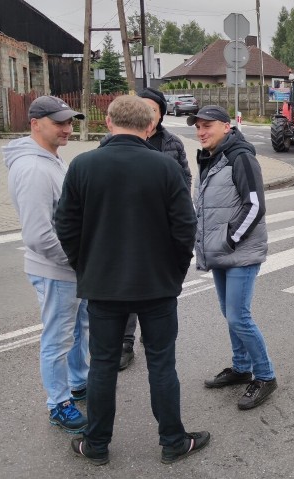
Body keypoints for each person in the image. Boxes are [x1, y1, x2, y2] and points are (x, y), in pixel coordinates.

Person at [55, 95, 209, 466]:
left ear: (108, 123)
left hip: (104, 286)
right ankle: (173, 441)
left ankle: (96, 444)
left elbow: (65, 225)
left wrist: (85, 265)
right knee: (161, 364)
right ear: (149, 126)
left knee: (102, 365)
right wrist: (173, 270)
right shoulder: (165, 167)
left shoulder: (82, 165)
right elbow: (185, 227)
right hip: (157, 286)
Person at [3, 96, 90, 434]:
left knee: (77, 329)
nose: (68, 128)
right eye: (59, 123)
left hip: (69, 269)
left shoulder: (51, 159)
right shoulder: (34, 168)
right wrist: (77, 262)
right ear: (35, 123)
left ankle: (78, 383)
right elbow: (39, 235)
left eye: (70, 121)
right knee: (57, 339)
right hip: (57, 270)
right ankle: (59, 404)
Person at [189, 105, 278, 411]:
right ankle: (241, 368)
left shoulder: (241, 156)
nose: (201, 132)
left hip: (238, 252)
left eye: (207, 126)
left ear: (226, 127)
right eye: (198, 127)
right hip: (219, 251)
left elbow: (255, 206)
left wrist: (229, 239)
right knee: (230, 314)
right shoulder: (209, 158)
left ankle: (265, 375)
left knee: (239, 316)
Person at [118, 87, 192, 371]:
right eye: (144, 108)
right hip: (128, 229)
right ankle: (125, 341)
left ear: (161, 114)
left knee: (157, 288)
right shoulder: (120, 140)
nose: (149, 114)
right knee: (129, 287)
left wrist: (178, 215)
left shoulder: (172, 143)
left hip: (161, 229)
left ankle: (152, 337)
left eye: (154, 109)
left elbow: (185, 179)